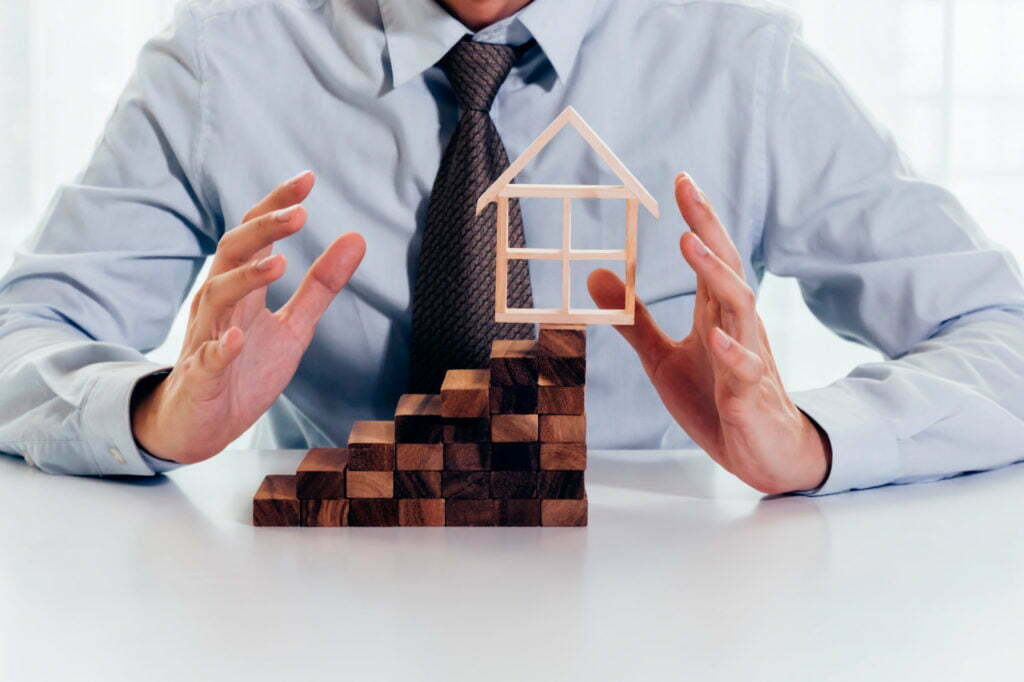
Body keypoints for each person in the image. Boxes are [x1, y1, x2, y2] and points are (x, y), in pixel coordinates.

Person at [1, 0, 1022, 496]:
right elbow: (20, 335)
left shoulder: (735, 63)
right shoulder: (224, 64)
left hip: (673, 623)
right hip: (320, 622)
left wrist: (812, 442)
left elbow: (1001, 339)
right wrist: (153, 412)